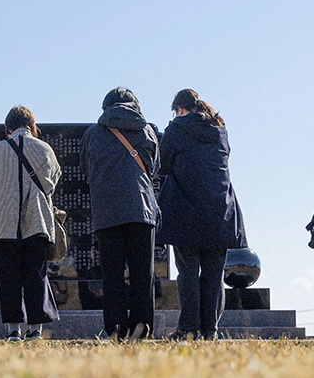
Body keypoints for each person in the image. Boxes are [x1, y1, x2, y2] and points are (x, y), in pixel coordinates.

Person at [157, 89, 246, 341]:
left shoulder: (176, 129)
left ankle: (188, 328)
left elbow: (162, 165)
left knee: (187, 272)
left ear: (179, 109)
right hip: (220, 211)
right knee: (214, 274)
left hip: (185, 210)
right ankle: (210, 330)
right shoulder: (220, 131)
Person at [80, 87, 160, 341]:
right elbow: (154, 168)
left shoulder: (93, 133)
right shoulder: (147, 131)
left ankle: (115, 328)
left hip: (107, 211)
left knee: (112, 275)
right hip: (141, 210)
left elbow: (85, 168)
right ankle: (141, 330)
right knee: (142, 275)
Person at [0, 106, 62, 341]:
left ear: (8, 128)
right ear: (32, 126)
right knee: (36, 276)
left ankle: (13, 329)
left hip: (4, 224)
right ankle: (36, 329)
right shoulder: (44, 149)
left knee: (8, 278)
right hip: (36, 222)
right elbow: (53, 180)